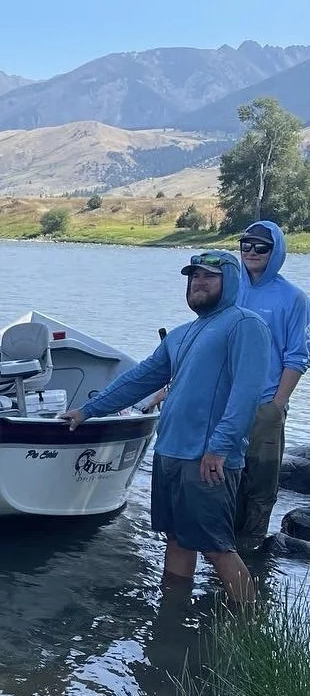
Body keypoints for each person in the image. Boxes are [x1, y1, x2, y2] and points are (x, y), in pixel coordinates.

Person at [61, 251, 269, 604]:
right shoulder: (180, 334)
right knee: (175, 538)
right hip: (170, 452)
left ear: (230, 281)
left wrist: (219, 447)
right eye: (193, 277)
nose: (198, 282)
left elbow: (246, 394)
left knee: (217, 547)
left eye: (209, 276)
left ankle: (250, 624)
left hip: (208, 458)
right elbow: (139, 379)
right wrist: (88, 410)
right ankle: (172, 619)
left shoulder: (245, 324)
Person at [233, 221, 310, 553]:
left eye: (261, 247)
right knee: (222, 476)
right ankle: (221, 549)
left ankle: (251, 551)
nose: (251, 251)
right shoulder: (228, 286)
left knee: (261, 483)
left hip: (265, 403)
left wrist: (276, 405)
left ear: (275, 251)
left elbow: (297, 356)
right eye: (246, 244)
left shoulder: (293, 298)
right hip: (225, 403)